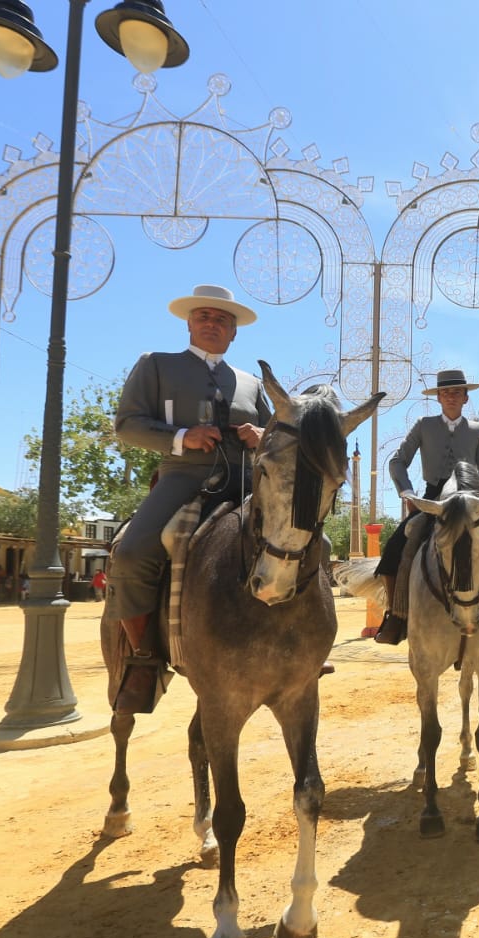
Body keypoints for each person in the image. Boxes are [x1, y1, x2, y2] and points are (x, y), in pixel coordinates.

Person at [109, 283, 271, 714]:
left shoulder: (252, 384)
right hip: (183, 476)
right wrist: (183, 437)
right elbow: (127, 424)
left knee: (308, 543)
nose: (212, 324)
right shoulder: (156, 365)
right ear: (189, 323)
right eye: (204, 317)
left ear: (234, 332)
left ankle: (300, 646)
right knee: (130, 554)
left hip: (245, 481)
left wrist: (261, 436)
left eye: (222, 319)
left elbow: (279, 438)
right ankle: (144, 657)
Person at [373, 368, 479, 645]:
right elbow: (397, 461)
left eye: (456, 392)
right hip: (433, 498)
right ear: (438, 398)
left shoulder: (477, 430)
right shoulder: (423, 425)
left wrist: (476, 490)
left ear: (465, 398)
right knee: (396, 547)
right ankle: (395, 616)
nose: (451, 397)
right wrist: (408, 493)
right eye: (445, 392)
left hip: (470, 499)